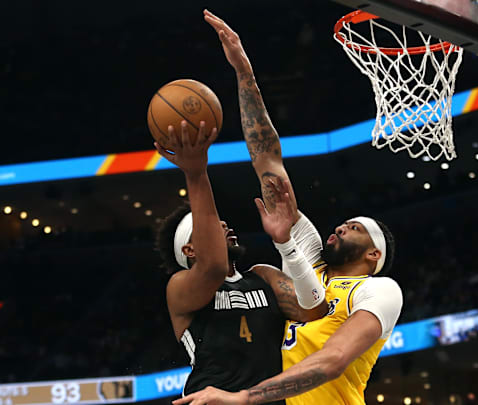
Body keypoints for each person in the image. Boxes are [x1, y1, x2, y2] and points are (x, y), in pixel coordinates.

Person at [172, 11, 403, 405]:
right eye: (344, 223)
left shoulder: (379, 290)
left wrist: (243, 397)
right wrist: (244, 73)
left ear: (374, 254)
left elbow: (331, 360)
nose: (342, 227)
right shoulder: (309, 261)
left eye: (357, 228)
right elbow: (268, 161)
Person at [154, 120, 328, 402]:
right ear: (189, 250)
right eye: (212, 228)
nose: (224, 226)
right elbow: (214, 267)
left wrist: (287, 246)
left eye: (222, 223)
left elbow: (314, 311)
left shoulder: (263, 276)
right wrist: (196, 174)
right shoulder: (180, 288)